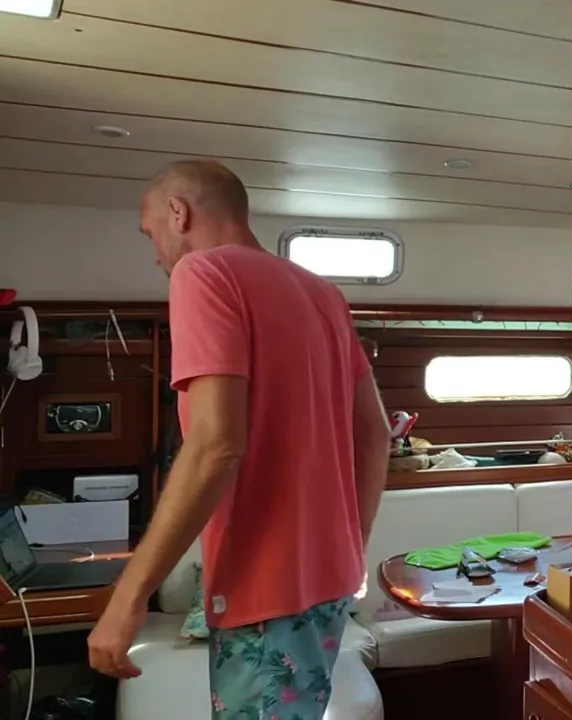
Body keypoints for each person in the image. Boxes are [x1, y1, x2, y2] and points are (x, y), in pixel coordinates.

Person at [87, 160, 391, 718]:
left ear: (179, 213)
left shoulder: (203, 273)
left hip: (264, 590)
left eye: (151, 233)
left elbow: (216, 445)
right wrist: (352, 547)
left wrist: (128, 598)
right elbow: (375, 437)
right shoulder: (323, 293)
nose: (155, 253)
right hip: (330, 585)